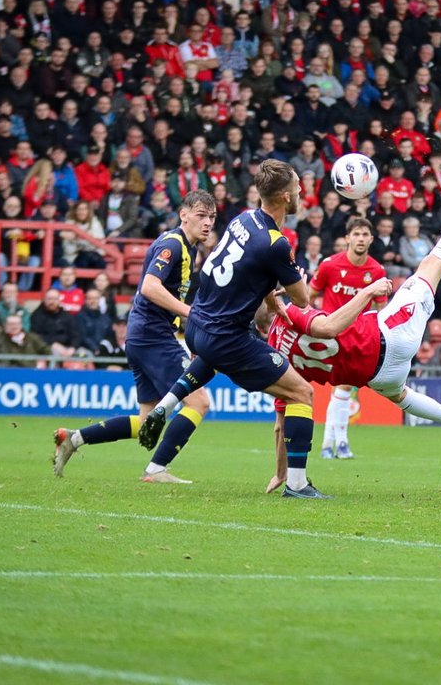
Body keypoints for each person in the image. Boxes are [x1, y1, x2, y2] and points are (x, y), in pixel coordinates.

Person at [260, 166, 441, 482]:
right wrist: (366, 291)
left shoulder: (275, 365)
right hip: (386, 337)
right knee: (432, 266)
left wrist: (280, 473)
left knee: (401, 396)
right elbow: (319, 321)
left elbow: (280, 425)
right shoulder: (292, 316)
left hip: (376, 375)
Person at [137, 160, 325, 499]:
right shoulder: (277, 243)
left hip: (199, 326)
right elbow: (303, 299)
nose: (301, 193)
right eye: (298, 188)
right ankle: (297, 485)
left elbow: (249, 269)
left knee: (211, 356)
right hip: (226, 336)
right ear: (285, 197)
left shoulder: (243, 219)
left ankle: (165, 405)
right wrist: (301, 280)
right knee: (301, 393)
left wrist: (269, 299)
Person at [54, 191, 216, 483]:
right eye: (201, 215)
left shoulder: (188, 249)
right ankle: (156, 470)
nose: (207, 223)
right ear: (184, 215)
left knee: (145, 421)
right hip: (153, 337)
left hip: (143, 336)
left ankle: (74, 439)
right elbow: (150, 287)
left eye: (212, 217)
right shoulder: (173, 245)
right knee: (199, 402)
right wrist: (191, 313)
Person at [308, 217, 387, 461]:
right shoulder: (330, 265)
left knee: (342, 390)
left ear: (371, 239)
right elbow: (310, 296)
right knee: (342, 388)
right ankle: (339, 444)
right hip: (331, 334)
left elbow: (381, 310)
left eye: (365, 234)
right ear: (347, 238)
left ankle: (328, 444)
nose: (361, 239)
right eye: (356, 234)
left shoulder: (376, 271)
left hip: (360, 338)